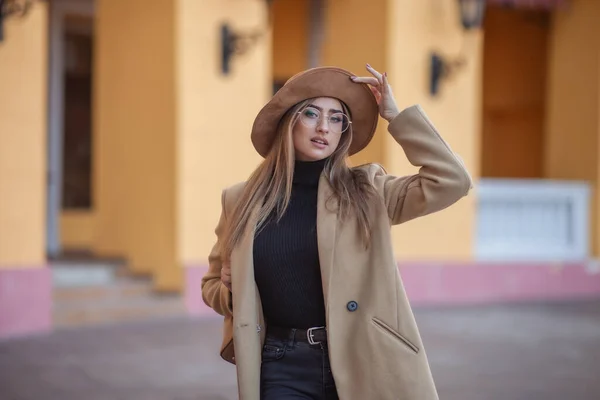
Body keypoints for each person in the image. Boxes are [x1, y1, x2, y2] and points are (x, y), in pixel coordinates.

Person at [201, 64, 472, 400]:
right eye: (311, 113)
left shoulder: (367, 191)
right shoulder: (241, 199)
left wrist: (396, 116)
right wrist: (230, 289)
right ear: (290, 119)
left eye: (336, 119)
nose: (324, 128)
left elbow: (452, 181)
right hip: (281, 362)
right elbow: (211, 286)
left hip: (364, 357)